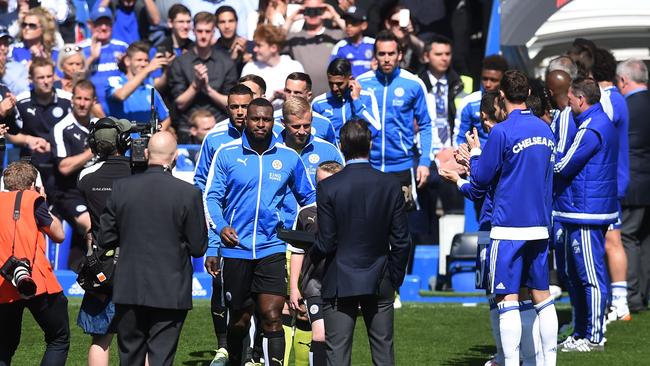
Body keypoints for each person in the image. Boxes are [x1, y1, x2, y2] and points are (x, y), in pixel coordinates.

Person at [203, 98, 316, 366]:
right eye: (256, 119)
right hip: (236, 249)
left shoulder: (289, 157)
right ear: (247, 120)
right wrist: (220, 229)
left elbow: (309, 197)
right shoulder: (227, 153)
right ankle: (235, 359)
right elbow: (211, 198)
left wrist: (307, 230)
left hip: (273, 248)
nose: (261, 124)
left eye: (266, 119)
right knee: (240, 320)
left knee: (273, 315)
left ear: (273, 122)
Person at [468, 70, 557, 364]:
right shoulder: (546, 130)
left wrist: (474, 154)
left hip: (508, 227)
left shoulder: (501, 131)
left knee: (507, 300)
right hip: (541, 225)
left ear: (502, 95)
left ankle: (510, 362)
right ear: (529, 92)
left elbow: (480, 179)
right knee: (542, 298)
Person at [99, 131, 208, 366]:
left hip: (129, 287)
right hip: (171, 289)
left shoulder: (121, 188)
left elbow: (105, 238)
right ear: (175, 156)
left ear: (147, 153)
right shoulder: (189, 193)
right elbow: (198, 247)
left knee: (129, 357)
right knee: (161, 358)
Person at [309, 118, 410, 366]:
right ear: (371, 144)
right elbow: (401, 240)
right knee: (383, 352)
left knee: (338, 354)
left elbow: (327, 241)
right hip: (381, 277)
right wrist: (394, 277)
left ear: (341, 146)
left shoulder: (329, 186)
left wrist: (311, 255)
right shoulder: (390, 184)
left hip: (339, 279)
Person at [277, 96, 343, 365]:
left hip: (315, 245)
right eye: (296, 127)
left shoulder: (328, 151)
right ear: (283, 124)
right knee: (280, 310)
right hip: (278, 241)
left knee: (308, 314)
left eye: (307, 125)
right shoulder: (271, 150)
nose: (303, 131)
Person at [554, 77, 617, 352]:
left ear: (581, 99)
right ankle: (580, 333)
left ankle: (594, 337)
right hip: (578, 210)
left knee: (589, 276)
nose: (567, 103)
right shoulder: (593, 123)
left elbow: (564, 166)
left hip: (587, 213)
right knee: (575, 275)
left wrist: (543, 157)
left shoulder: (592, 127)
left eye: (570, 99)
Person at [192, 84, 254, 366]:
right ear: (227, 107)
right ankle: (223, 347)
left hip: (259, 231)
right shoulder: (214, 139)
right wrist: (212, 235)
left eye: (245, 106)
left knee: (258, 292)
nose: (240, 112)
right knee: (219, 287)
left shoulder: (271, 136)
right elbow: (200, 184)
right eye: (235, 106)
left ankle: (255, 351)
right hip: (221, 229)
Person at [77, 116, 134, 366]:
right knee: (139, 337)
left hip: (102, 261)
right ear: (124, 140)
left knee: (101, 338)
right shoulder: (138, 170)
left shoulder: (86, 176)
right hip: (137, 260)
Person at [0, 160, 68, 366]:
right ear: (33, 184)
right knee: (58, 338)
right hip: (37, 279)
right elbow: (59, 235)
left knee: (3, 345)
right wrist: (42, 201)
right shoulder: (34, 199)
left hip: (4, 279)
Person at [357, 31, 433, 209]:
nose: (386, 59)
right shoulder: (362, 83)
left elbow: (426, 125)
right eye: (381, 54)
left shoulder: (413, 84)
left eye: (391, 53)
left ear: (400, 54)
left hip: (402, 167)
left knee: (401, 227)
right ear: (375, 55)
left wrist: (424, 162)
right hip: (369, 166)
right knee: (370, 223)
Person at [287, 160, 343, 366]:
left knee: (337, 338)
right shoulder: (306, 213)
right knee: (319, 334)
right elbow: (297, 250)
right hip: (314, 285)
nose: (324, 188)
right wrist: (294, 287)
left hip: (343, 285)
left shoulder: (349, 212)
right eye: (320, 183)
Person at [592, 47, 631, 321]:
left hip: (611, 181)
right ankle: (615, 301)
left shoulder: (610, 101)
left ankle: (620, 303)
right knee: (609, 240)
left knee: (611, 241)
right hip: (614, 179)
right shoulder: (616, 98)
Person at [5, 57, 71, 197]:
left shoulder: (68, 100)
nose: (46, 81)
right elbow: (8, 132)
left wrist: (52, 147)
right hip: (30, 163)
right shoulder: (21, 101)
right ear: (31, 79)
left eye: (49, 76)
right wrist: (28, 140)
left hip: (61, 162)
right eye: (41, 77)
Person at [168, 11, 238, 143]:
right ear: (193, 31)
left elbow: (231, 103)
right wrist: (195, 85)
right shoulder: (180, 62)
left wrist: (208, 89)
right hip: (188, 131)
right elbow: (180, 103)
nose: (203, 36)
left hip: (219, 127)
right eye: (200, 31)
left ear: (213, 33)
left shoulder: (226, 62)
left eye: (207, 31)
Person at [616, 58, 650, 313]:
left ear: (624, 80)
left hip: (633, 183)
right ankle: (643, 294)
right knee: (645, 240)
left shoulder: (626, 107)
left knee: (628, 238)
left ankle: (633, 297)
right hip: (646, 183)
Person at [49, 79, 96, 246]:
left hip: (98, 189)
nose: (82, 104)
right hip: (70, 193)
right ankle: (96, 270)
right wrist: (92, 151)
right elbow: (64, 167)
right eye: (78, 98)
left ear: (94, 101)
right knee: (92, 225)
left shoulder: (99, 126)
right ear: (72, 100)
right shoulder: (61, 127)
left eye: (87, 99)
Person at [312, 58, 380, 144]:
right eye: (331, 83)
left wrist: (356, 101)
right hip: (332, 157)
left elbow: (375, 129)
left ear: (350, 79)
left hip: (358, 156)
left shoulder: (367, 97)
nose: (334, 88)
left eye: (339, 84)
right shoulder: (318, 103)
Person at [284, 0, 344, 96]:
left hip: (330, 98)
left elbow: (355, 36)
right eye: (309, 10)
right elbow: (273, 45)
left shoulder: (336, 35)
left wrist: (335, 17)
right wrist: (290, 20)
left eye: (317, 10)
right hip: (302, 99)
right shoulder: (294, 38)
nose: (313, 14)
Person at [106, 41, 171, 129]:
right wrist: (148, 69)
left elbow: (166, 118)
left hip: (147, 142)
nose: (143, 64)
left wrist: (155, 137)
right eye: (139, 60)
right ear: (127, 61)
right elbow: (121, 95)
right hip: (122, 141)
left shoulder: (150, 89)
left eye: (146, 61)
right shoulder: (114, 81)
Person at [80, 6, 129, 117]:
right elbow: (75, 79)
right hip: (90, 109)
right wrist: (92, 58)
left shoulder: (122, 47)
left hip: (119, 108)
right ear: (90, 25)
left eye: (107, 23)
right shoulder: (81, 48)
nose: (103, 27)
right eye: (99, 23)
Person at [241, 24, 304, 107]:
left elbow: (303, 100)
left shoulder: (294, 67)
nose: (254, 49)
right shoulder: (249, 69)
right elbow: (244, 103)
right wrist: (273, 97)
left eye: (259, 45)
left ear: (273, 48)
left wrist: (288, 97)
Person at [455, 55, 508, 146]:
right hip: (478, 157)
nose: (487, 84)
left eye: (493, 80)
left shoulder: (510, 103)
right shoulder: (469, 103)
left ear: (503, 80)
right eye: (484, 79)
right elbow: (460, 138)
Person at [273, 72, 337, 145]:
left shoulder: (324, 124)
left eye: (297, 93)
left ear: (309, 95)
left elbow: (333, 153)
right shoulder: (272, 120)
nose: (291, 96)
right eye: (288, 91)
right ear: (283, 122)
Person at [329, 6, 374, 78]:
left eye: (353, 22)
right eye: (347, 22)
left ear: (364, 25)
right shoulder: (340, 47)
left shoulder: (373, 44)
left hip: (371, 86)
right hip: (349, 87)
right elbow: (332, 70)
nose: (349, 26)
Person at [382, 5, 425, 73]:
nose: (400, 26)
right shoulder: (381, 43)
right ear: (387, 24)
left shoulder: (412, 44)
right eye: (395, 23)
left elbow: (422, 48)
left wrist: (409, 34)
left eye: (402, 22)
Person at [215, 5, 253, 75]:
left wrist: (249, 61)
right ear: (216, 25)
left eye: (231, 21)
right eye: (222, 22)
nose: (227, 26)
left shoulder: (253, 47)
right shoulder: (212, 51)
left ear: (237, 22)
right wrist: (232, 60)